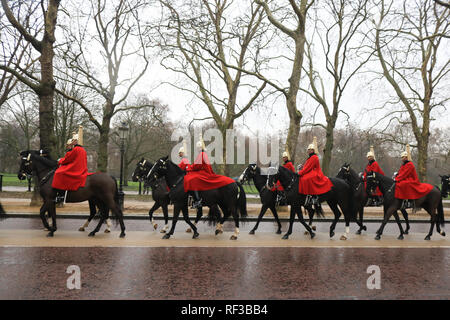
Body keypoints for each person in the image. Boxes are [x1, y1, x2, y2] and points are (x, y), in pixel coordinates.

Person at [183, 135, 235, 208]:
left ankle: (197, 200)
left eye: (198, 148)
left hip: (204, 173)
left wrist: (189, 168)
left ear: (200, 148)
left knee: (191, 179)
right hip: (204, 171)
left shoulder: (201, 154)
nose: (197, 149)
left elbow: (196, 166)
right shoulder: (203, 154)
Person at [51, 134, 88, 204]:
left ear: (77, 141)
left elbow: (68, 159)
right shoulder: (82, 149)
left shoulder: (76, 149)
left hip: (75, 168)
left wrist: (60, 161)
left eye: (73, 140)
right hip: (81, 168)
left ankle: (61, 195)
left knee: (58, 173)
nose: (72, 142)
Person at [394, 144, 433, 210]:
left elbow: (404, 174)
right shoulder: (404, 164)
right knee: (399, 183)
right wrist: (396, 175)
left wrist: (397, 179)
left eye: (403, 157)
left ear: (407, 157)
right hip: (406, 178)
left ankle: (408, 200)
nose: (402, 158)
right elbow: (401, 172)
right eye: (402, 157)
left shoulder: (410, 164)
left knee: (404, 184)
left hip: (412, 180)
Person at [298, 137, 333, 206]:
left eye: (311, 150)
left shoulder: (314, 157)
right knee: (304, 177)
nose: (309, 151)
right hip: (311, 171)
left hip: (316, 172)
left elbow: (308, 168)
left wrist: (300, 173)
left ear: (313, 150)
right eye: (308, 150)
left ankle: (313, 196)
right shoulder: (310, 157)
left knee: (306, 178)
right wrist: (301, 168)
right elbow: (306, 167)